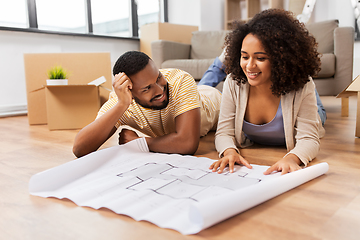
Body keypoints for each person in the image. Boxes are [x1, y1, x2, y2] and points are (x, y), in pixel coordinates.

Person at [209, 9, 326, 175]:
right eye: (244, 56)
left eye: (260, 58)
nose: (249, 66)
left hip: (296, 91)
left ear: (280, 59)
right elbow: (223, 132)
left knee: (318, 113)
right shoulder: (233, 82)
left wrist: (292, 158)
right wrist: (229, 152)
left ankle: (314, 94)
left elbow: (309, 138)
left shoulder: (302, 85)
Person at [73, 51, 221, 158]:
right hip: (189, 100)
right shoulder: (121, 101)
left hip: (211, 101)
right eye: (147, 88)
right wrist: (121, 105)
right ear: (129, 92)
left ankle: (220, 64)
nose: (159, 90)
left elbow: (187, 143)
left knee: (207, 85)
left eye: (158, 77)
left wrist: (139, 143)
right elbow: (80, 149)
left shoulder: (180, 80)